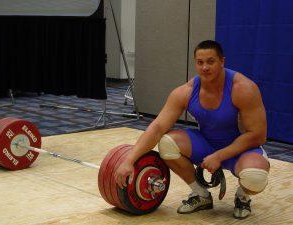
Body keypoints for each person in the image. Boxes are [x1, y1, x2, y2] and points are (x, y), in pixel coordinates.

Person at [114, 40, 270, 219]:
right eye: (200, 62)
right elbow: (157, 127)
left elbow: (258, 135)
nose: (204, 67)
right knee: (167, 143)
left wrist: (219, 156)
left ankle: (242, 197)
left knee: (255, 177)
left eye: (210, 61)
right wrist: (129, 160)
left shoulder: (243, 88)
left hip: (240, 149)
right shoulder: (186, 91)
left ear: (222, 61)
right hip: (207, 144)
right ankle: (201, 195)